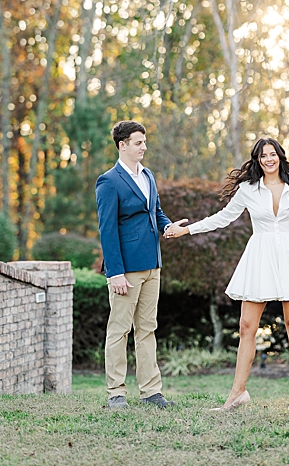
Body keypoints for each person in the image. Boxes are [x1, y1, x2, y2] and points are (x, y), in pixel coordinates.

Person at [165, 138, 289, 412]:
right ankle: (237, 393)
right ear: (257, 160)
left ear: (280, 157)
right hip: (260, 257)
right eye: (263, 156)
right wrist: (186, 230)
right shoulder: (248, 189)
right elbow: (222, 218)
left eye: (272, 154)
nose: (268, 160)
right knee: (246, 327)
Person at [96, 120, 176, 409]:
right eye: (138, 142)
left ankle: (151, 391)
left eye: (144, 141)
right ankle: (116, 392)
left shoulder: (149, 175)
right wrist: (115, 272)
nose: (144, 146)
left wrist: (167, 226)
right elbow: (107, 230)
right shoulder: (109, 181)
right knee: (119, 330)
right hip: (126, 270)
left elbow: (156, 210)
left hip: (153, 264)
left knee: (147, 329)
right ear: (123, 145)